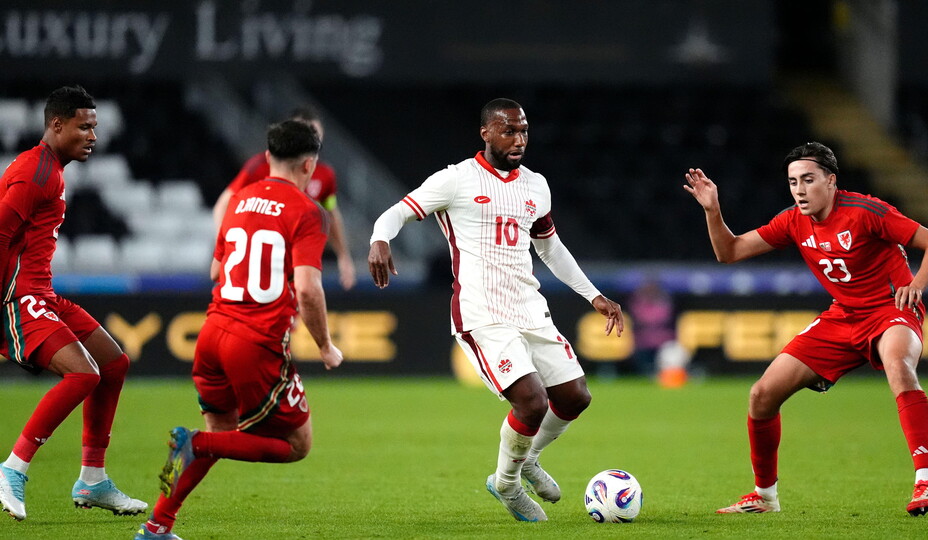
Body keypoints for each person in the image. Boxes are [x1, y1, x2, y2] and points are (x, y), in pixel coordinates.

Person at [368, 98, 624, 522]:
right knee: (532, 402)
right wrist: (380, 239)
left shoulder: (536, 185)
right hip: (482, 311)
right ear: (486, 133)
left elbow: (550, 248)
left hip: (529, 306)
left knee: (575, 396)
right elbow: (397, 213)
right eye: (509, 131)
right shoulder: (455, 180)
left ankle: (527, 460)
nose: (519, 139)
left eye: (524, 131)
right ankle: (506, 483)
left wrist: (592, 295)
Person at [684, 142, 928, 516]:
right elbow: (729, 252)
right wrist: (713, 210)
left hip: (892, 309)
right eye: (793, 182)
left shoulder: (866, 211)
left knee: (899, 366)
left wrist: (917, 284)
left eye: (808, 179)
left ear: (831, 181)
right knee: (761, 395)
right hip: (843, 317)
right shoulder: (792, 220)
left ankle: (927, 484)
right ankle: (765, 496)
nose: (800, 189)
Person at [134, 119, 343, 540]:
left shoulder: (240, 199)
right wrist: (325, 345)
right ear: (309, 165)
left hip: (211, 335)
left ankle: (157, 525)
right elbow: (308, 288)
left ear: (267, 157)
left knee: (222, 434)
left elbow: (216, 270)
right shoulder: (308, 212)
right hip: (255, 343)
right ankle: (194, 444)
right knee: (296, 445)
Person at [0, 85, 146, 521]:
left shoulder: (50, 169)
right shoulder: (36, 173)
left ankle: (92, 479)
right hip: (18, 295)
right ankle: (12, 468)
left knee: (113, 364)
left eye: (94, 128)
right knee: (84, 374)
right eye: (83, 127)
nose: (92, 136)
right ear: (57, 124)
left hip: (42, 293)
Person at [212, 106, 356, 290]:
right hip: (260, 261)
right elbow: (223, 205)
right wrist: (225, 249)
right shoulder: (261, 166)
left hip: (296, 261)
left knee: (298, 299)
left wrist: (344, 256)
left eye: (315, 134)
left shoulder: (325, 175)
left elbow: (331, 213)